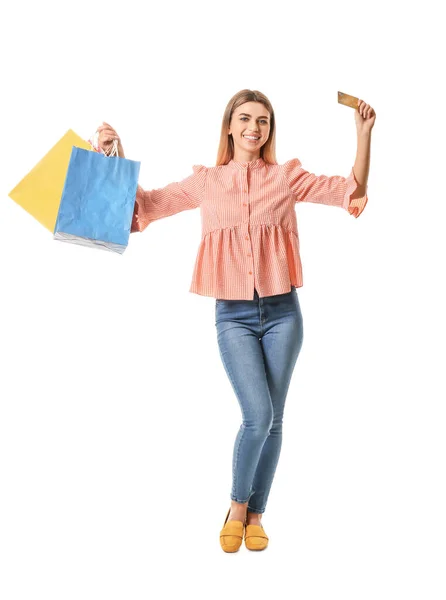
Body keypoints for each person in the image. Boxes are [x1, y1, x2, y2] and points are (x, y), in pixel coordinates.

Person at [96, 89, 375, 553]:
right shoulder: (207, 182)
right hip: (234, 315)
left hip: (284, 313)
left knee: (276, 420)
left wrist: (363, 136)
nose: (254, 127)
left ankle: (258, 516)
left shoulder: (286, 177)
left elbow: (351, 190)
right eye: (245, 118)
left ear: (269, 129)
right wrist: (115, 156)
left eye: (263, 120)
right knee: (258, 415)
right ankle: (236, 507)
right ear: (229, 125)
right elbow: (146, 206)